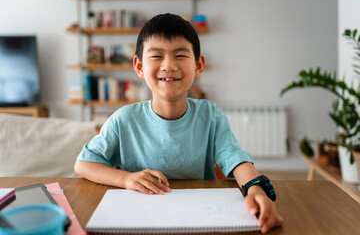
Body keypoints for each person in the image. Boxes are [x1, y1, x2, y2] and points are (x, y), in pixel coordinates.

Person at [75, 13, 283, 233]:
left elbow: (237, 160)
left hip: (200, 219)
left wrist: (255, 189)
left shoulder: (210, 115)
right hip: (140, 219)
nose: (169, 65)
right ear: (139, 66)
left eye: (180, 55)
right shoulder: (123, 119)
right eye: (156, 56)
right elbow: (84, 164)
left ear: (198, 65)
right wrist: (126, 179)